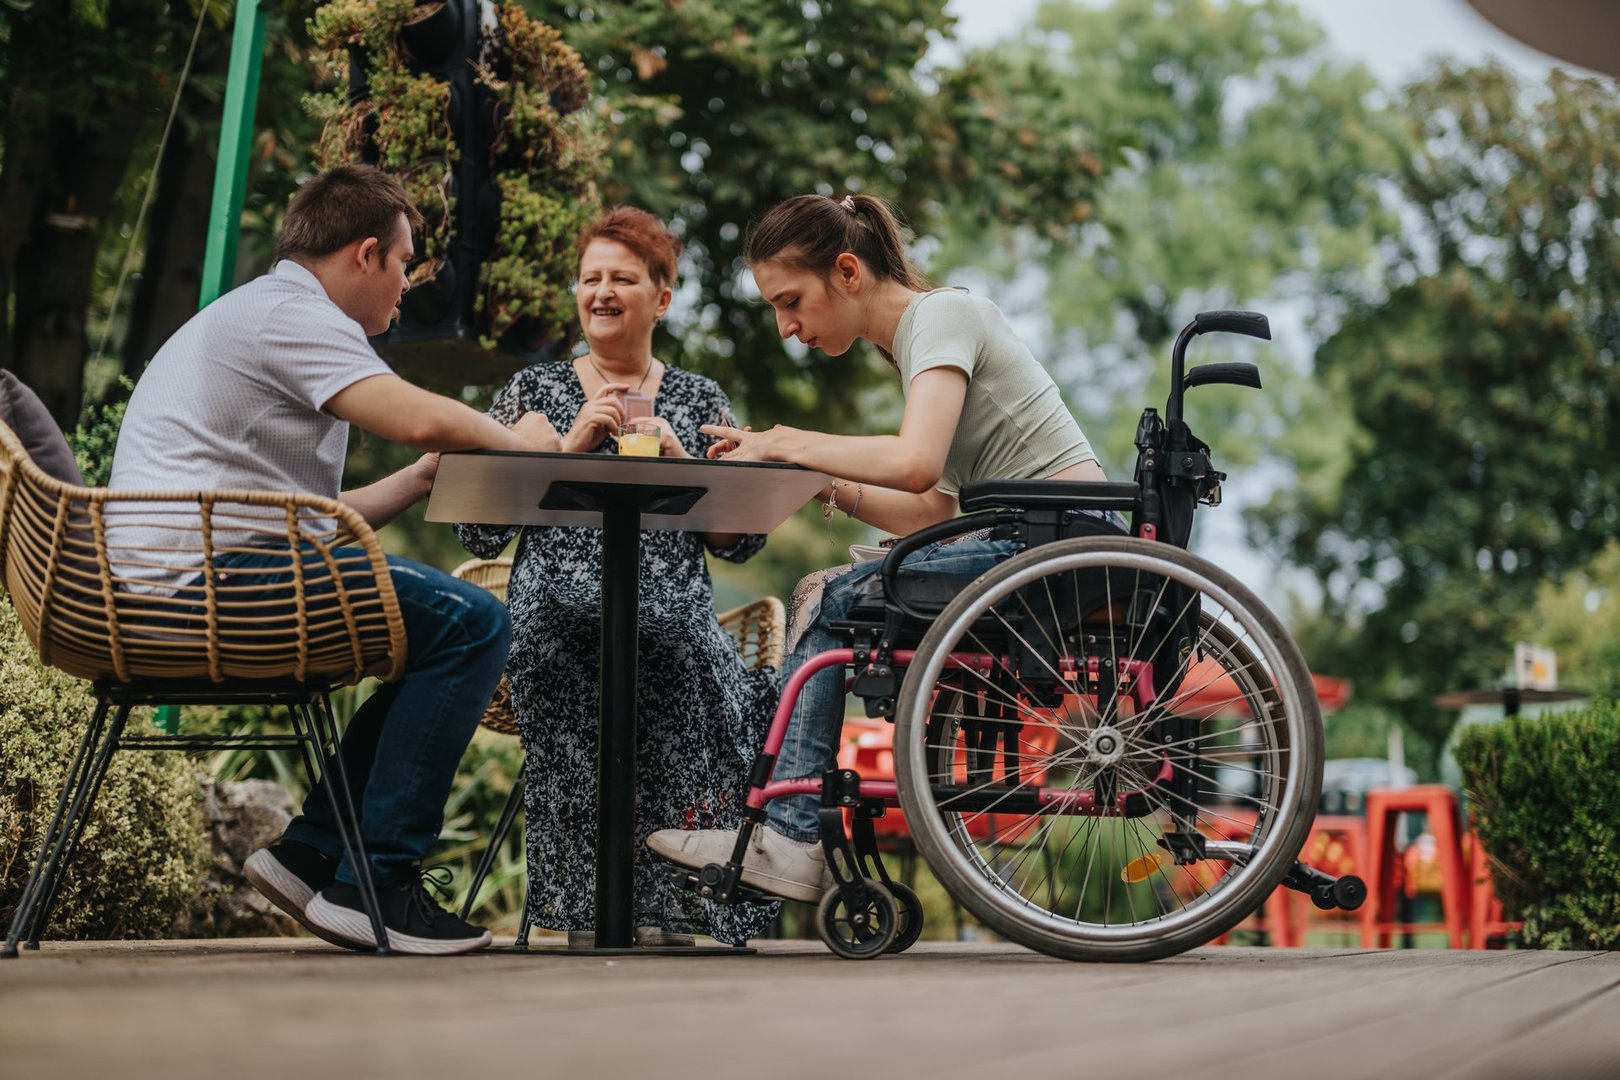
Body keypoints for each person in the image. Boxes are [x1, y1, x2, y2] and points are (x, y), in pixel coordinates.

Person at [109, 164, 562, 955]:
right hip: (203, 586)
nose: (407, 285)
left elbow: (322, 523)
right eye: (404, 261)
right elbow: (417, 418)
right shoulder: (295, 313)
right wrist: (517, 440)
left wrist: (422, 483)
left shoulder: (261, 311)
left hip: (185, 577)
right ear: (364, 254)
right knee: (475, 622)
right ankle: (376, 885)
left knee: (441, 636)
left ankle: (313, 852)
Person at [647, 192, 1122, 903]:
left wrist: (785, 440)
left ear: (846, 271)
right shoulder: (917, 342)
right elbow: (930, 507)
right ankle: (790, 829)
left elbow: (916, 463)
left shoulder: (941, 316)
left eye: (791, 300)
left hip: (1060, 539)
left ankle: (792, 835)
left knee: (836, 597)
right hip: (1036, 535)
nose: (785, 328)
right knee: (830, 588)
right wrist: (816, 481)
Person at [453, 206, 778, 947]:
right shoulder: (533, 392)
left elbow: (740, 540)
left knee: (681, 651)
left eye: (622, 278)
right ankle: (587, 913)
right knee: (590, 647)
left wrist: (684, 464)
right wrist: (565, 446)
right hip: (556, 605)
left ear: (662, 298)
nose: (601, 291)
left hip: (672, 609)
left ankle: (681, 908)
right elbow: (480, 530)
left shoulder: (698, 400)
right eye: (590, 277)